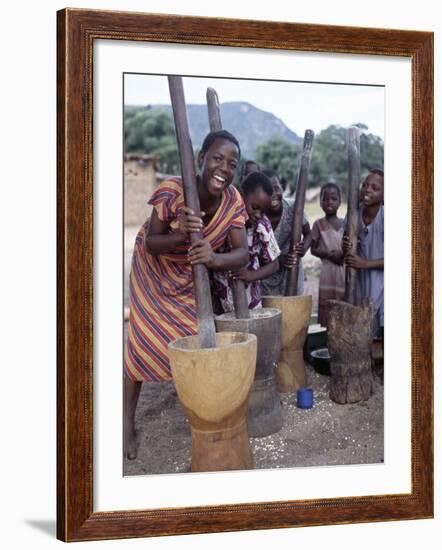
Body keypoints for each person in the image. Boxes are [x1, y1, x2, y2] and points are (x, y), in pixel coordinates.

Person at [123, 130, 249, 459]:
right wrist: (182, 235)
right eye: (217, 159)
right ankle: (126, 424)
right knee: (142, 342)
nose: (224, 168)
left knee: (192, 337)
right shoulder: (173, 191)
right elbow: (153, 241)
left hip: (191, 273)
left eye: (231, 163)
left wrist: (214, 258)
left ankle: (199, 410)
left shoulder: (234, 201)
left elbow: (242, 255)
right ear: (201, 158)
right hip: (154, 271)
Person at [214, 172, 280, 311]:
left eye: (263, 211)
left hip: (251, 301)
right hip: (221, 296)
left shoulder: (262, 224)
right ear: (241, 196)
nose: (258, 215)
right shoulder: (223, 218)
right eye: (255, 208)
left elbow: (274, 264)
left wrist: (251, 276)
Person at [344, 169, 384, 342]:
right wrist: (346, 244)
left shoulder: (387, 216)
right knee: (364, 327)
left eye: (375, 188)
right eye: (365, 185)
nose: (368, 190)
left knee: (385, 326)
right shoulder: (354, 214)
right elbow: (344, 248)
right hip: (361, 281)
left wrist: (365, 263)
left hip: (383, 282)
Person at [260, 169, 311, 296]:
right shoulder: (257, 215)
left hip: (291, 272)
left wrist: (303, 248)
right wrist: (277, 261)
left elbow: (309, 234)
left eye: (276, 188)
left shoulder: (294, 208)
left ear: (282, 188)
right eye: (267, 190)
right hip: (265, 275)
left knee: (292, 310)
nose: (273, 193)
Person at [310, 183, 345, 327]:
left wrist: (342, 255)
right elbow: (313, 249)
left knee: (343, 303)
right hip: (327, 272)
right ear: (320, 202)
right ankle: (328, 338)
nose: (329, 202)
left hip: (343, 271)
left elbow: (352, 246)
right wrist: (329, 255)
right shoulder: (318, 224)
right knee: (327, 304)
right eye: (325, 199)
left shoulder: (346, 223)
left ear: (340, 201)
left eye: (333, 198)